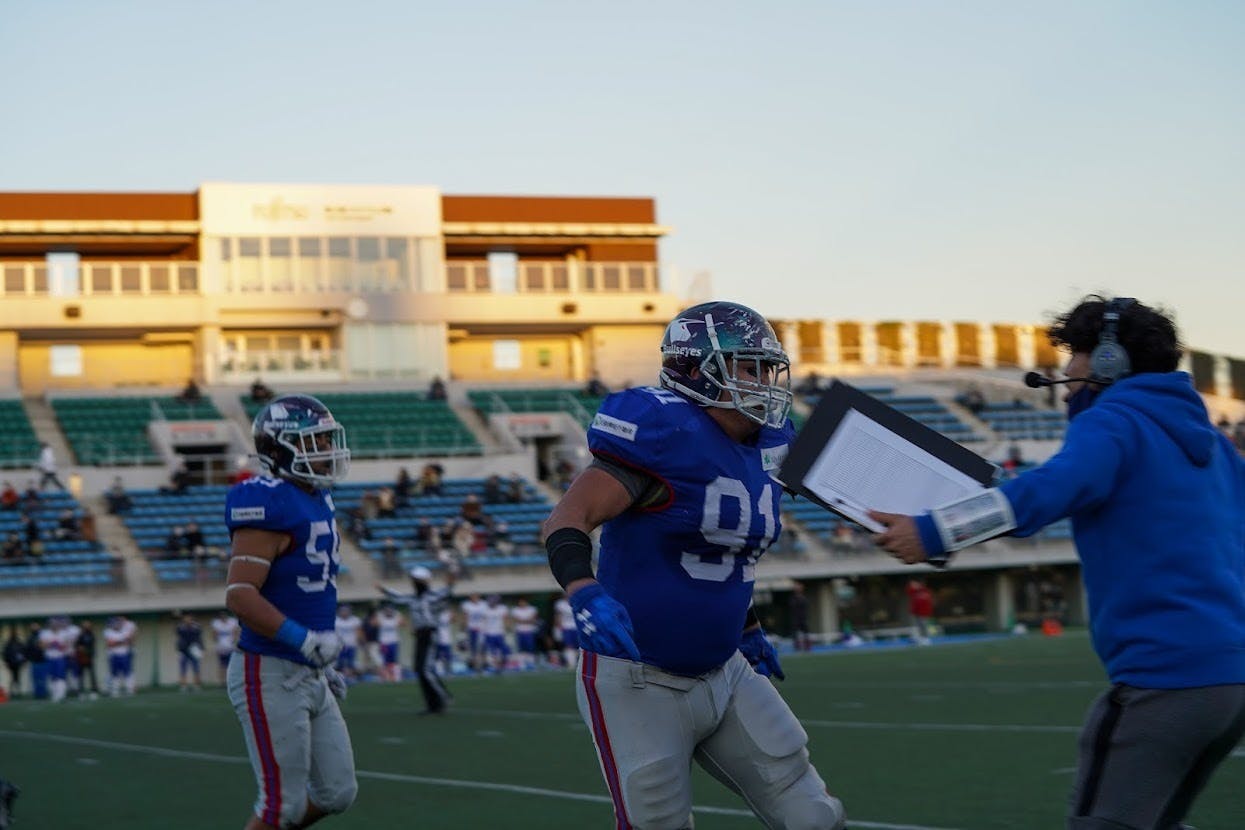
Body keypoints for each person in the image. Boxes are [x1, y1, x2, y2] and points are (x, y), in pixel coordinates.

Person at [869, 296, 1245, 830]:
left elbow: (1048, 489)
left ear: (1110, 361)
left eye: (1077, 354)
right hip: (1231, 681)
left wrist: (932, 532)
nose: (1066, 371)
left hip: (1165, 678)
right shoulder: (1218, 444)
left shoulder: (1115, 421)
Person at [541, 300, 845, 829]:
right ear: (695, 368)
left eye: (767, 368)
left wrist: (746, 625)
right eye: (747, 367)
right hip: (640, 678)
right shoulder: (664, 429)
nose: (764, 381)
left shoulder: (769, 446)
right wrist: (584, 590)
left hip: (727, 668)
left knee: (813, 813)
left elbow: (723, 550)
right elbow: (567, 518)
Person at [223, 393, 357, 829]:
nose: (326, 452)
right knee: (280, 807)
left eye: (325, 440)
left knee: (337, 792)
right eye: (314, 442)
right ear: (280, 449)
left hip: (310, 671)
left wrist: (317, 657)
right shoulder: (267, 502)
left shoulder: (315, 497)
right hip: (269, 670)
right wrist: (304, 639)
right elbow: (240, 595)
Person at [378, 566, 453, 715]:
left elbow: (446, 591)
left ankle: (443, 696)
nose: (415, 583)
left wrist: (451, 580)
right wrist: (383, 590)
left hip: (430, 634)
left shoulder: (432, 596)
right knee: (420, 669)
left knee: (425, 669)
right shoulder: (412, 599)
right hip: (419, 635)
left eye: (417, 580)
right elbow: (398, 597)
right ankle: (433, 705)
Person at [103, 615, 136, 697]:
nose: (116, 625)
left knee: (127, 673)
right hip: (114, 655)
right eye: (114, 623)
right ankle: (115, 691)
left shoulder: (125, 631)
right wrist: (122, 641)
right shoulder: (108, 632)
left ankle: (130, 690)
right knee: (114, 674)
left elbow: (130, 641)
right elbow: (110, 644)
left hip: (124, 654)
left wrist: (118, 642)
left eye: (117, 623)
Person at [176, 613, 204, 692]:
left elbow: (198, 636)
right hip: (183, 650)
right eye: (186, 618)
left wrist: (201, 648)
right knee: (183, 669)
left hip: (193, 649)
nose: (188, 620)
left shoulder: (196, 626)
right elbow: (179, 632)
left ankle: (197, 685)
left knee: (196, 668)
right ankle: (183, 685)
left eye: (189, 618)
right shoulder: (181, 626)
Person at [333, 605, 363, 679]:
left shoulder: (355, 620)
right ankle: (340, 677)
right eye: (342, 610)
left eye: (346, 610)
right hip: (340, 646)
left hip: (351, 645)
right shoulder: (335, 620)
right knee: (340, 663)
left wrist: (360, 641)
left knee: (351, 662)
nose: (344, 612)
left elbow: (359, 632)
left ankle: (351, 677)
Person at [212, 611, 240, 685]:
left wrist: (235, 642)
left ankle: (232, 680)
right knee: (222, 666)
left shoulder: (233, 622)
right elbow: (214, 635)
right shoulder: (216, 623)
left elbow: (236, 632)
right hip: (221, 647)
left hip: (231, 647)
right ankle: (223, 681)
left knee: (232, 665)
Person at [74, 619, 99, 698]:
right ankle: (81, 692)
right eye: (85, 624)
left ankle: (94, 691)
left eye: (87, 624)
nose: (86, 626)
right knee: (81, 676)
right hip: (81, 658)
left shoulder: (91, 634)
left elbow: (92, 646)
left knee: (92, 675)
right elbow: (76, 645)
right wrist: (80, 648)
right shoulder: (80, 635)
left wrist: (85, 650)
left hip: (89, 657)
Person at [905, 579, 934, 645]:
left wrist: (928, 612)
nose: (914, 585)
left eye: (916, 584)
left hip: (923, 613)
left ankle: (926, 639)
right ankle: (917, 639)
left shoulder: (926, 591)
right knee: (915, 626)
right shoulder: (913, 591)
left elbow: (928, 602)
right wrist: (912, 585)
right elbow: (908, 591)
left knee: (923, 626)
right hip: (915, 612)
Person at [2, 627, 26, 698]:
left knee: (15, 677)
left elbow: (23, 652)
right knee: (14, 677)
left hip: (15, 663)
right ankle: (14, 692)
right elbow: (5, 653)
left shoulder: (16, 643)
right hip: (12, 663)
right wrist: (6, 661)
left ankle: (15, 692)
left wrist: (23, 661)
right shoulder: (11, 643)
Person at [789, 582, 812, 652]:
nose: (798, 589)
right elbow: (792, 606)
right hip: (796, 618)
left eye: (799, 588)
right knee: (795, 634)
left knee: (806, 633)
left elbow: (806, 606)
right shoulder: (793, 599)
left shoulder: (804, 598)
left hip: (803, 618)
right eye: (797, 588)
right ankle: (797, 647)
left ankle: (807, 647)